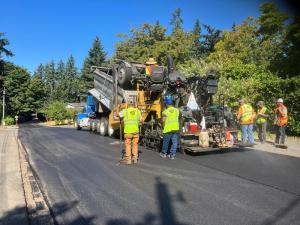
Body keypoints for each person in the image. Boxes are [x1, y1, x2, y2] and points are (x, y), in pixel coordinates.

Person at [119, 100, 142, 164]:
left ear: (128, 105)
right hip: (136, 131)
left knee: (128, 145)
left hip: (128, 131)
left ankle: (128, 159)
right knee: (135, 145)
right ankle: (135, 159)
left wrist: (118, 108)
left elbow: (118, 115)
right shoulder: (138, 111)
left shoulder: (125, 111)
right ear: (134, 105)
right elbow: (140, 120)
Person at [160, 95, 180, 160]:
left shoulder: (165, 112)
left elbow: (163, 121)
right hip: (175, 128)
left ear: (166, 104)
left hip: (168, 129)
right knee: (174, 143)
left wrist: (161, 124)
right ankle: (172, 155)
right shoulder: (177, 110)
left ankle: (164, 153)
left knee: (166, 142)